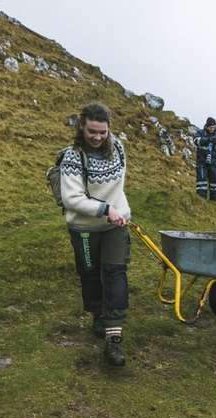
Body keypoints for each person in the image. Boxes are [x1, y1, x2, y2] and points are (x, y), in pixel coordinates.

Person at [61, 102, 131, 367]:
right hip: (84, 228)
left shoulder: (119, 148)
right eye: (92, 131)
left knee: (115, 273)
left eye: (102, 132)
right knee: (90, 275)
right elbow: (72, 199)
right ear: (82, 126)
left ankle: (114, 340)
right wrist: (105, 208)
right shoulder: (72, 157)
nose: (97, 137)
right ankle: (97, 314)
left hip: (116, 224)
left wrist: (118, 210)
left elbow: (119, 183)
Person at [193, 117, 216, 201]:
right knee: (202, 179)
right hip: (202, 160)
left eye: (214, 127)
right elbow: (196, 141)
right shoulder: (200, 132)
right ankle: (201, 198)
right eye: (210, 127)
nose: (212, 129)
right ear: (207, 126)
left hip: (213, 160)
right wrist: (208, 140)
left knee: (214, 179)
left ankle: (214, 199)